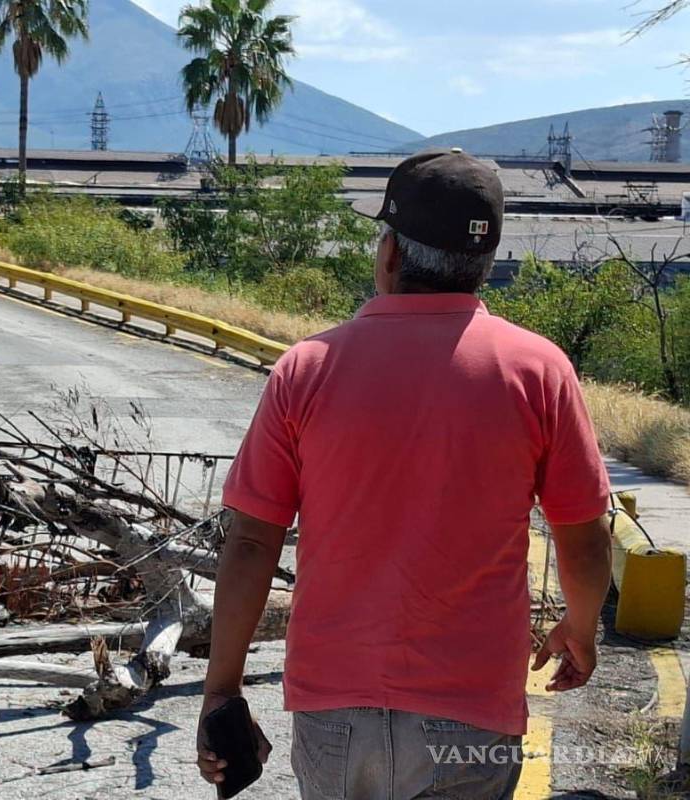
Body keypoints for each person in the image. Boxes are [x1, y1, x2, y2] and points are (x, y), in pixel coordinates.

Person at [196, 149, 614, 799]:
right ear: (486, 263)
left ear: (389, 253)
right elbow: (584, 533)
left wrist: (222, 690)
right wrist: (580, 628)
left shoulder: (307, 368)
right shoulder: (538, 371)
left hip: (336, 713)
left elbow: (252, 540)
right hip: (469, 718)